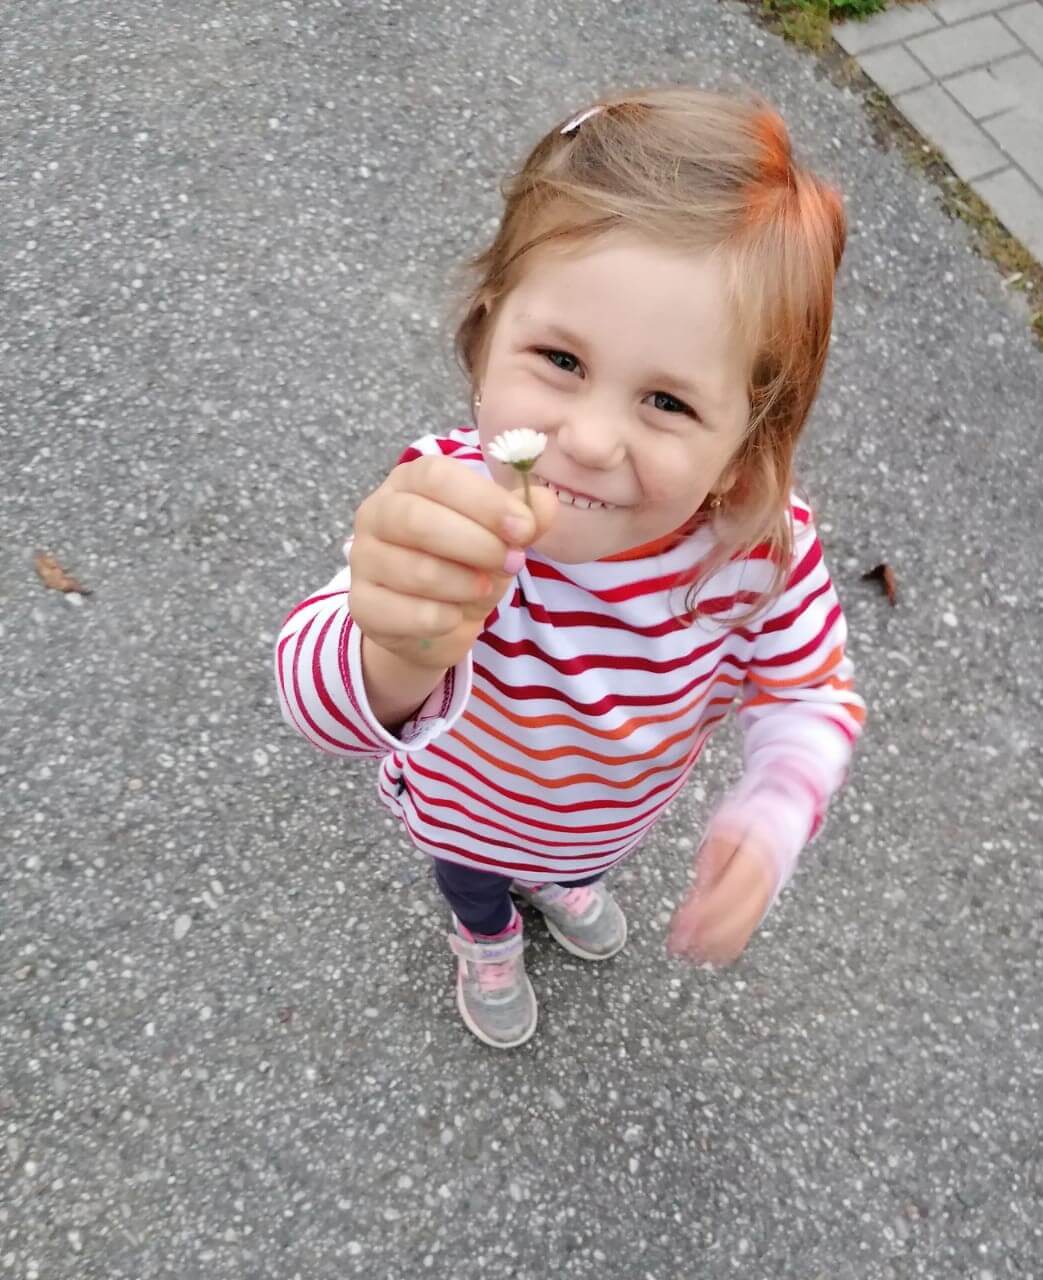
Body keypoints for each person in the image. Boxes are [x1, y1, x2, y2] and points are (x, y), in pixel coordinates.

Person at [275, 87, 865, 1049]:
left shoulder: (759, 553)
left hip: (607, 820)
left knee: (576, 861)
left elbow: (811, 694)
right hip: (466, 813)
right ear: (486, 334)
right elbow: (318, 707)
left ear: (745, 446)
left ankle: (559, 880)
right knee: (472, 881)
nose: (588, 440)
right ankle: (487, 939)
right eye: (559, 359)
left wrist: (772, 814)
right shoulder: (451, 504)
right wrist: (395, 650)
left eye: (667, 403)